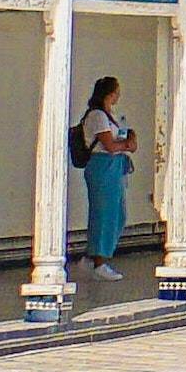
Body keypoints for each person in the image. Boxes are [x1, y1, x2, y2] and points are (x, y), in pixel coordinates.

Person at [69, 74, 135, 274]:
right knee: (104, 213)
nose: (118, 95)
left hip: (114, 167)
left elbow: (122, 138)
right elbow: (109, 145)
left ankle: (94, 255)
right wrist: (126, 145)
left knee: (118, 213)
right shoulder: (97, 116)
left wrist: (129, 139)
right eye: (116, 91)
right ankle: (100, 261)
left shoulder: (111, 115)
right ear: (109, 93)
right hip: (101, 167)